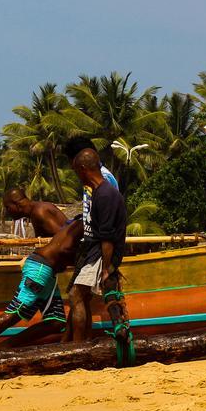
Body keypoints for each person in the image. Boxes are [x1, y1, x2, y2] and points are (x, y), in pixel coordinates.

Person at [0, 190, 72, 352]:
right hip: (43, 270)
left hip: (42, 270)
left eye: (7, 209)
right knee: (23, 313)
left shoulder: (40, 212)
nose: (8, 214)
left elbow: (65, 239)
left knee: (53, 321)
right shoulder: (41, 210)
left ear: (15, 205)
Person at [65, 147, 132, 360]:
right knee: (80, 296)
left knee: (76, 295)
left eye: (77, 172)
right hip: (95, 252)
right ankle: (83, 343)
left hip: (100, 253)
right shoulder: (103, 193)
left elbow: (108, 236)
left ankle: (77, 348)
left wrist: (106, 268)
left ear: (84, 169)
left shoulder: (104, 195)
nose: (78, 178)